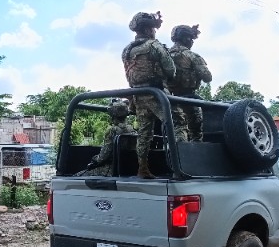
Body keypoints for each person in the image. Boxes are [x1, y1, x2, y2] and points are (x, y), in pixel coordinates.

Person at [121, 11, 176, 179]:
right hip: (157, 94)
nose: (154, 31)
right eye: (153, 28)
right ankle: (181, 167)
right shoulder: (154, 46)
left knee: (144, 133)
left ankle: (142, 168)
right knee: (177, 124)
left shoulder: (127, 50)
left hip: (138, 95)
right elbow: (171, 70)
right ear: (147, 30)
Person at [167, 24, 212, 142]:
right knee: (196, 131)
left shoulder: (165, 55)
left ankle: (177, 152)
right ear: (185, 38)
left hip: (168, 99)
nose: (192, 41)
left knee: (177, 128)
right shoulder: (192, 56)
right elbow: (207, 77)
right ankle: (191, 156)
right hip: (189, 98)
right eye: (191, 38)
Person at [75, 99, 135, 177]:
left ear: (113, 115)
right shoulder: (132, 130)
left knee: (78, 176)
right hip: (127, 168)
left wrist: (95, 159)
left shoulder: (112, 130)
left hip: (111, 169)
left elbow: (103, 156)